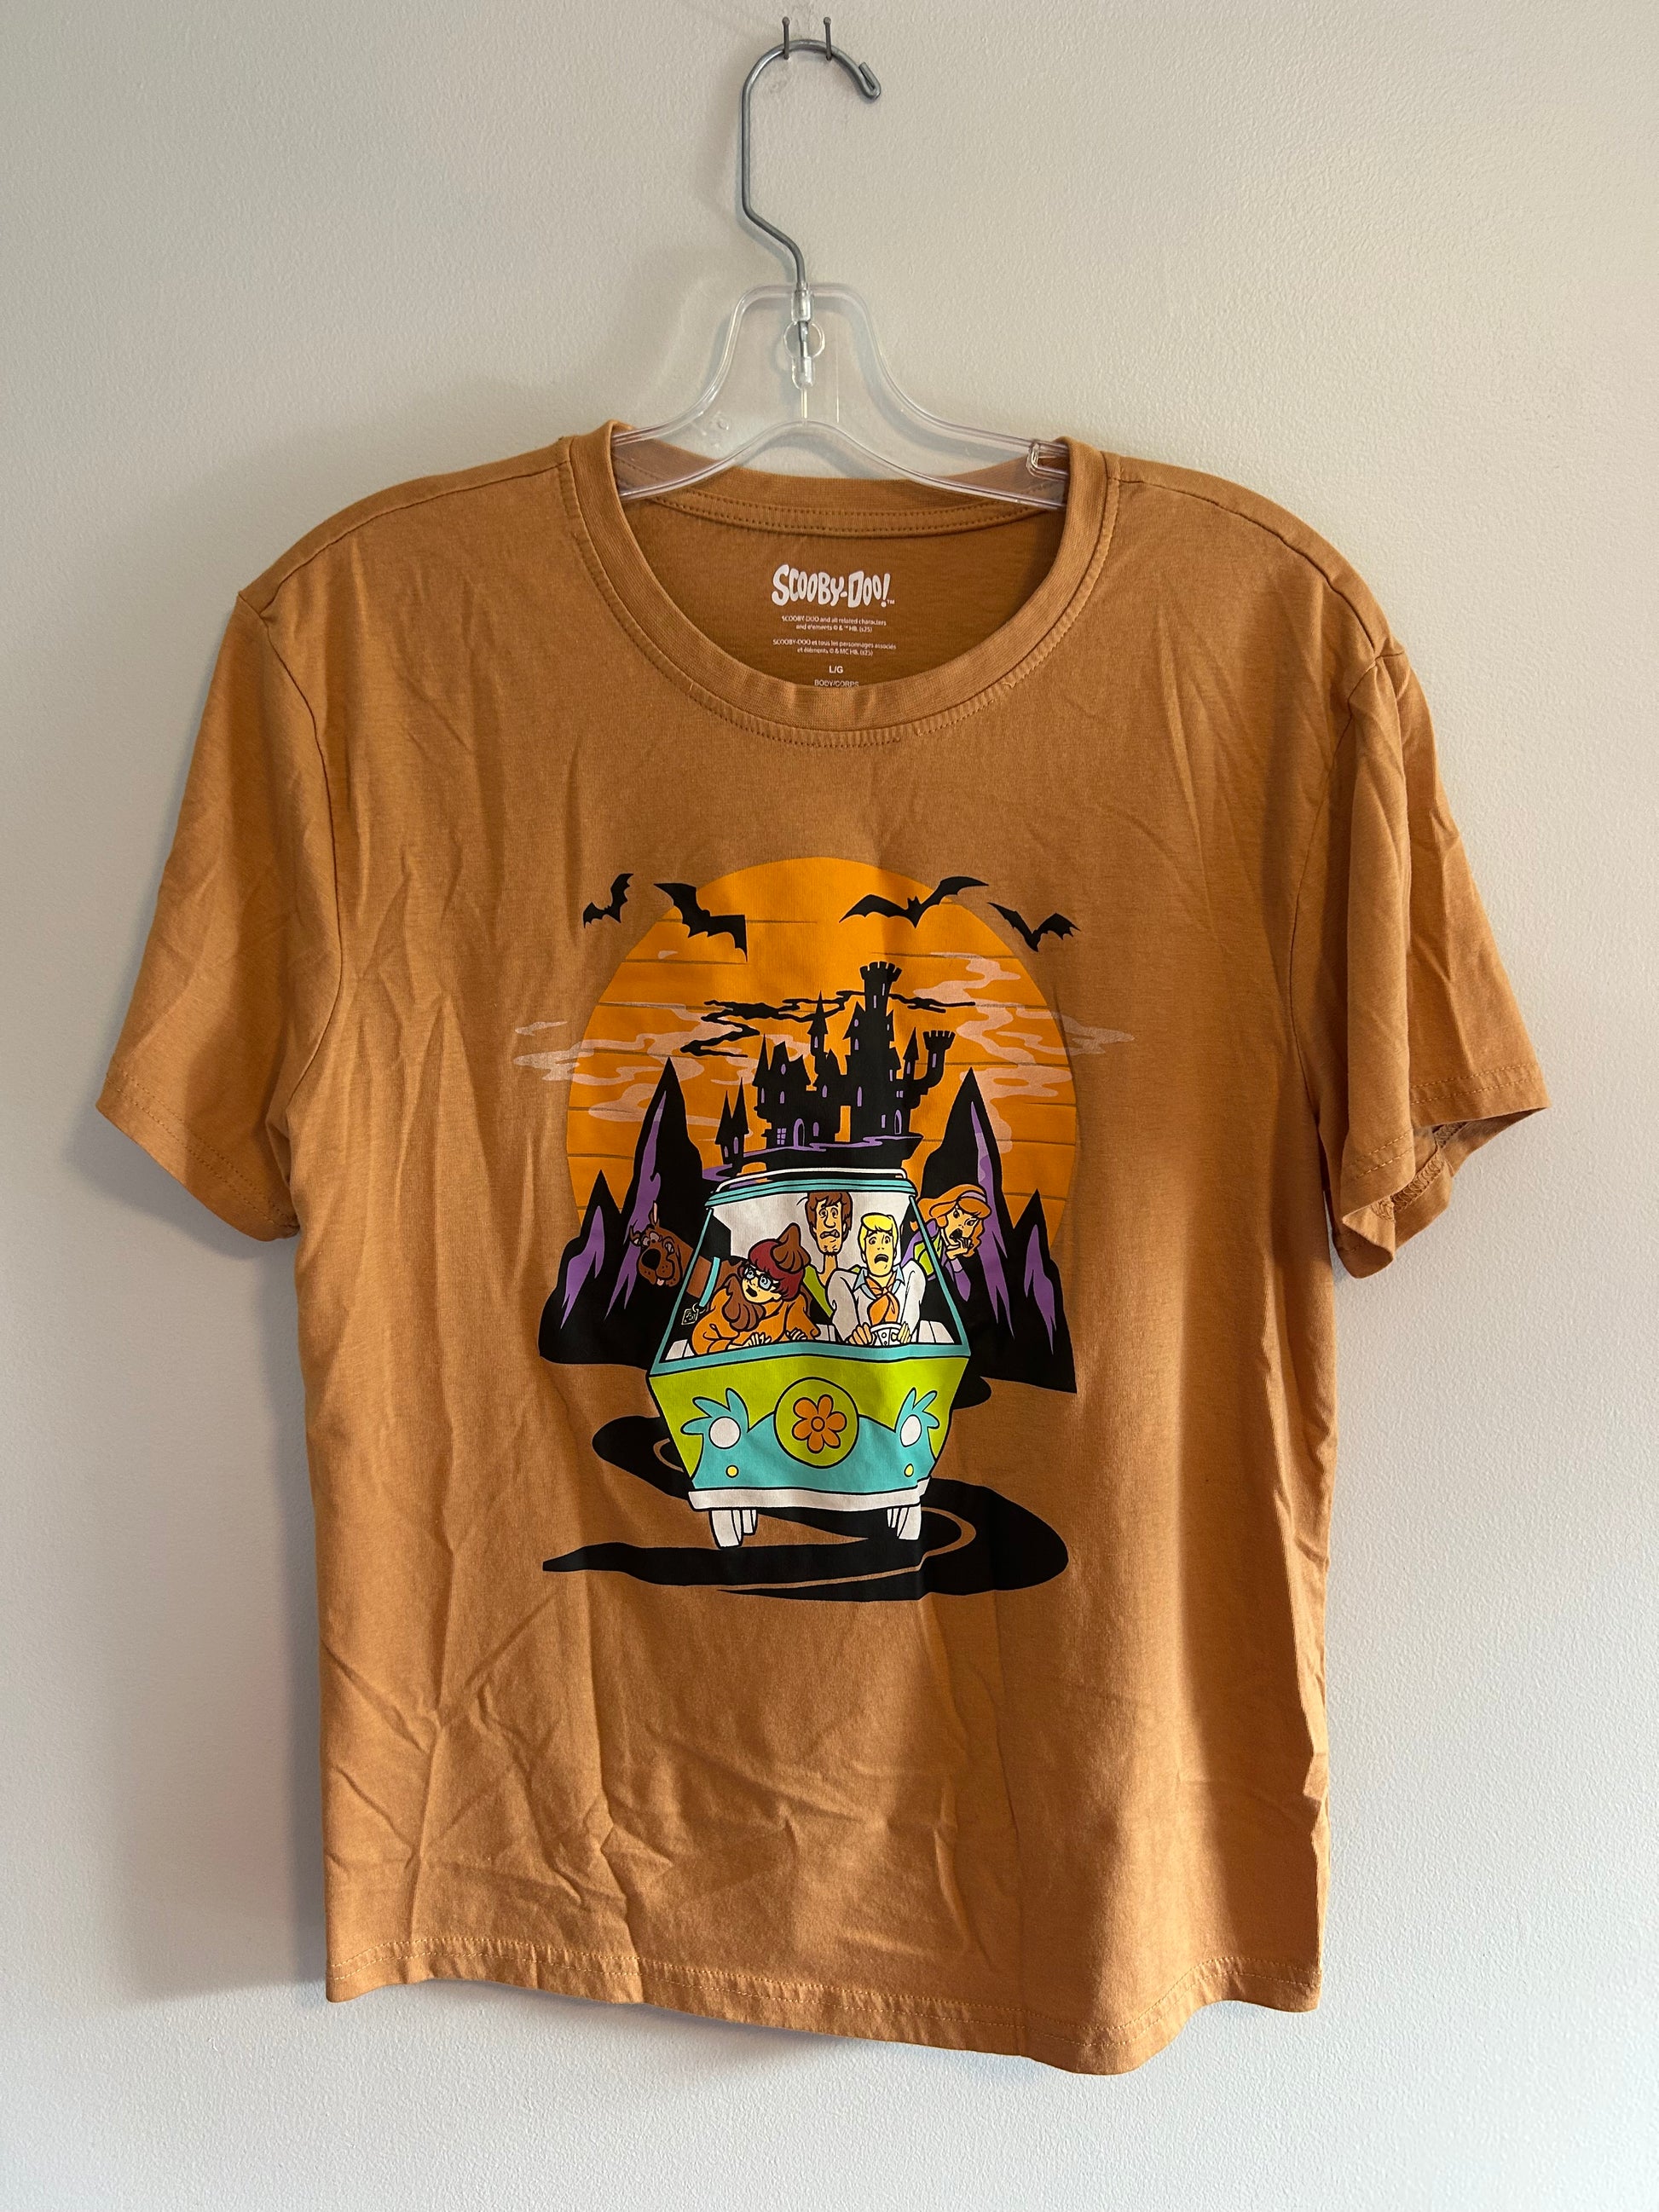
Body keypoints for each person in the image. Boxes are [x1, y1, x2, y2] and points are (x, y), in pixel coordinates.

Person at [689, 1223, 818, 1354]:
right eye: (750, 1272)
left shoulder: (790, 1305)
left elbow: (805, 1334)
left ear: (780, 1293)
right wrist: (735, 1349)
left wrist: (797, 1339)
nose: (753, 1282)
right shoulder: (727, 1297)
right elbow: (701, 1338)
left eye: (764, 1281)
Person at [827, 1212, 925, 1346]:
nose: (880, 1247)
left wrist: (907, 1327)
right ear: (864, 1254)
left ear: (894, 1252)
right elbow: (837, 1287)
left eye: (887, 1240)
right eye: (873, 1241)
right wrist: (852, 1332)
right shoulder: (848, 1283)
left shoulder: (910, 1275)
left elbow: (915, 1278)